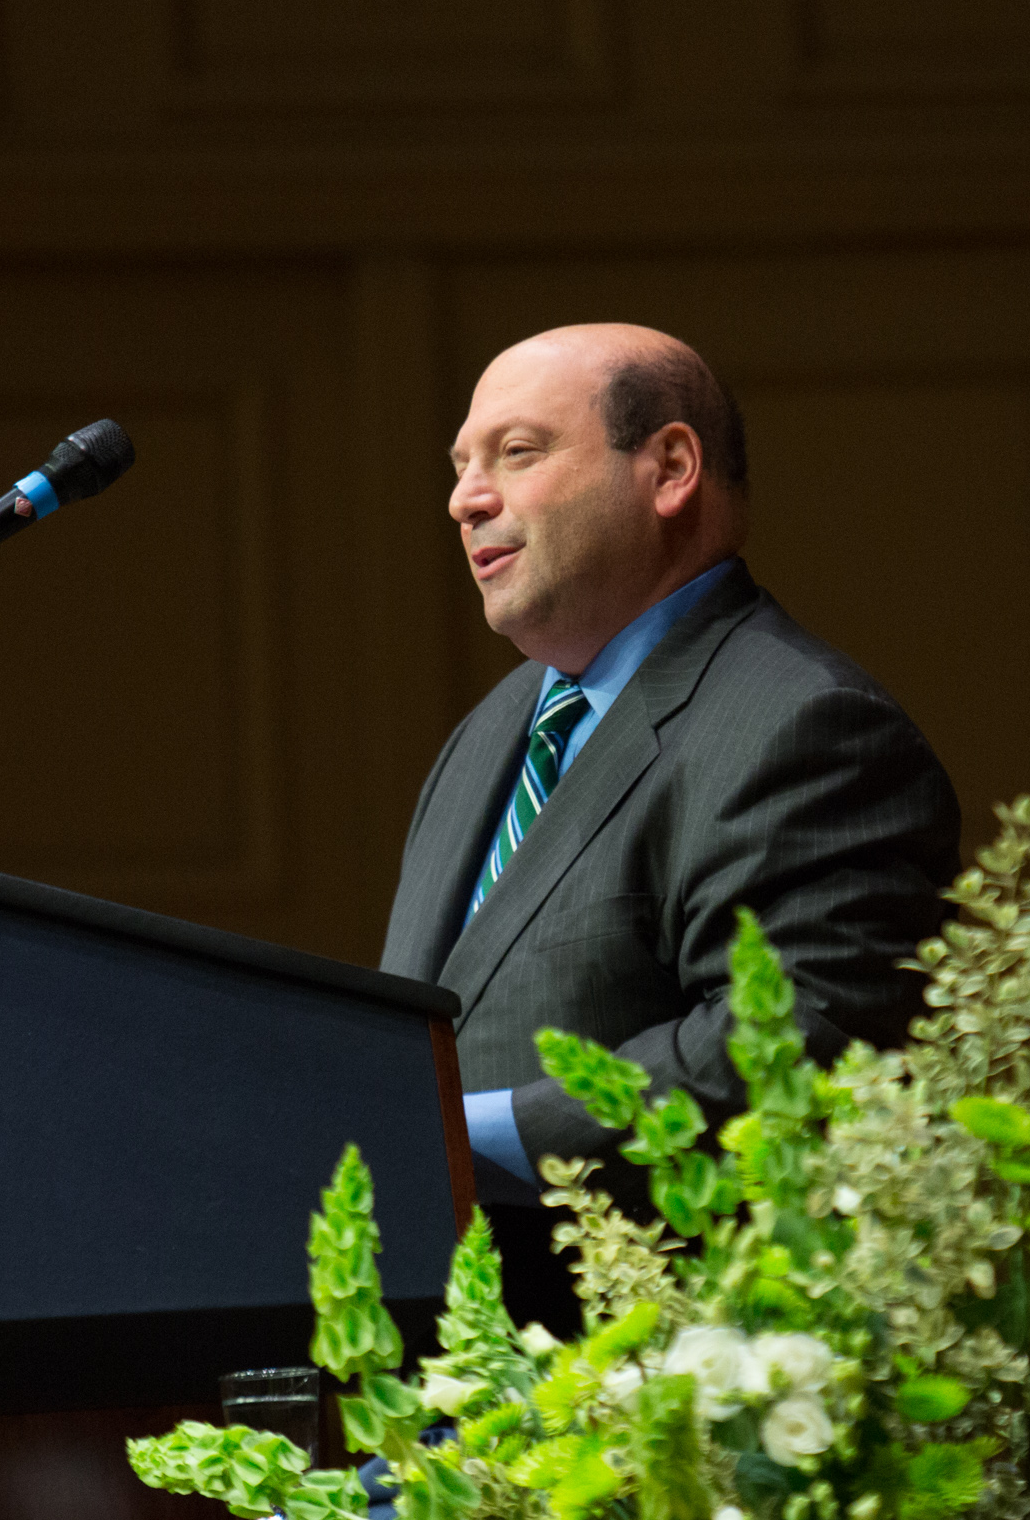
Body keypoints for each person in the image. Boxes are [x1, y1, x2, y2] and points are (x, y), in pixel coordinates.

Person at [381, 323, 959, 1331]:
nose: (466, 497)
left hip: (669, 1390)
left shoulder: (807, 723)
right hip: (453, 1390)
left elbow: (794, 1043)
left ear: (670, 468)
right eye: (462, 466)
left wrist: (461, 1135)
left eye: (516, 453)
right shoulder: (492, 732)